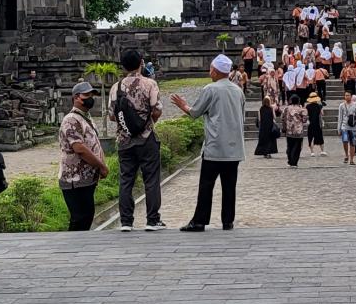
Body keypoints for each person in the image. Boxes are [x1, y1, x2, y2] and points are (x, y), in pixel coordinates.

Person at [173, 55, 246, 232]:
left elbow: (195, 112)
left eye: (211, 68)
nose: (209, 72)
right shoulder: (238, 91)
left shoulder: (210, 89)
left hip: (214, 146)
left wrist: (183, 105)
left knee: (206, 185)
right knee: (230, 186)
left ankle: (199, 221)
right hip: (234, 148)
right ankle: (227, 221)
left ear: (215, 70)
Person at [107, 48, 164, 231]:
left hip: (124, 139)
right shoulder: (149, 84)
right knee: (151, 180)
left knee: (126, 180)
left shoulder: (116, 87)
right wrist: (147, 122)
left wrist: (127, 125)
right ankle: (152, 220)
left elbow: (111, 116)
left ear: (122, 66)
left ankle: (126, 221)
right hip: (146, 138)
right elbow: (157, 109)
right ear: (141, 63)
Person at [58, 81, 107, 231]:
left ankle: (79, 249)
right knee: (79, 218)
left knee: (86, 217)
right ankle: (72, 251)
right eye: (87, 95)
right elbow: (80, 148)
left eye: (91, 95)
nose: (90, 98)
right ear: (76, 98)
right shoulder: (71, 120)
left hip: (86, 178)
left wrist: (101, 165)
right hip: (74, 179)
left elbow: (94, 143)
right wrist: (101, 166)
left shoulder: (85, 117)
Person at [338, 90, 356, 165]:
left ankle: (352, 159)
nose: (347, 97)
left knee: (353, 143)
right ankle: (346, 154)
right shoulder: (341, 105)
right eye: (345, 95)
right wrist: (339, 128)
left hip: (353, 126)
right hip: (344, 126)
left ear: (351, 96)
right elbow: (340, 117)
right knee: (345, 141)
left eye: (348, 95)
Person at [281, 98, 307, 167]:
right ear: (298, 101)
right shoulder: (301, 109)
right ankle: (294, 162)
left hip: (289, 131)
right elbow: (305, 120)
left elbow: (282, 118)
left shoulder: (286, 108)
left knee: (289, 146)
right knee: (297, 147)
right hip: (298, 131)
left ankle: (290, 161)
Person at [254, 89, 280, 157]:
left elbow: (259, 119)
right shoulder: (271, 108)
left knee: (264, 139)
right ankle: (269, 152)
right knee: (270, 140)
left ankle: (264, 152)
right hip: (270, 126)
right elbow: (274, 117)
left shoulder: (260, 108)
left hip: (263, 127)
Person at [306, 87, 325, 154]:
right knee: (320, 136)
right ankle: (322, 151)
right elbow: (322, 113)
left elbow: (306, 114)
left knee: (310, 137)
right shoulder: (319, 106)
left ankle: (312, 152)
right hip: (318, 123)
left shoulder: (307, 106)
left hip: (311, 123)